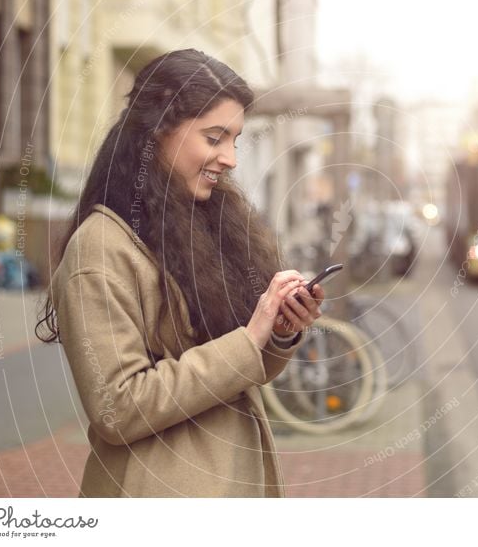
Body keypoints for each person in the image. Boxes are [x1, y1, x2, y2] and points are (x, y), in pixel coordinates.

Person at [35, 49, 324, 497]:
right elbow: (117, 407)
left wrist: (279, 330)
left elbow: (241, 369)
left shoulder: (203, 222)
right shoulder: (99, 248)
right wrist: (248, 339)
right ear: (158, 130)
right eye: (214, 138)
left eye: (235, 139)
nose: (230, 158)